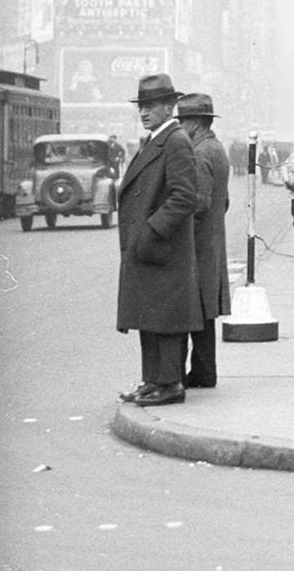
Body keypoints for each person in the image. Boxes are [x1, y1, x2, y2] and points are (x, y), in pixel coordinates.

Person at [115, 74, 202, 407]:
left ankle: (170, 385)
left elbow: (185, 196)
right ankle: (153, 381)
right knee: (148, 318)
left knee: (164, 319)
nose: (144, 112)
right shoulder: (156, 139)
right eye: (142, 106)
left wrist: (152, 231)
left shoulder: (175, 140)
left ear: (170, 106)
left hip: (161, 247)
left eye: (151, 105)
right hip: (150, 249)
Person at [176, 93, 231, 389]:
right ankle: (204, 371)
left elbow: (198, 204)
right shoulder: (216, 148)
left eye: (183, 121)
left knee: (192, 311)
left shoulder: (198, 153)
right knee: (204, 312)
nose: (180, 127)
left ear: (195, 123)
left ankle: (200, 372)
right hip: (212, 242)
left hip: (197, 245)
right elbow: (224, 202)